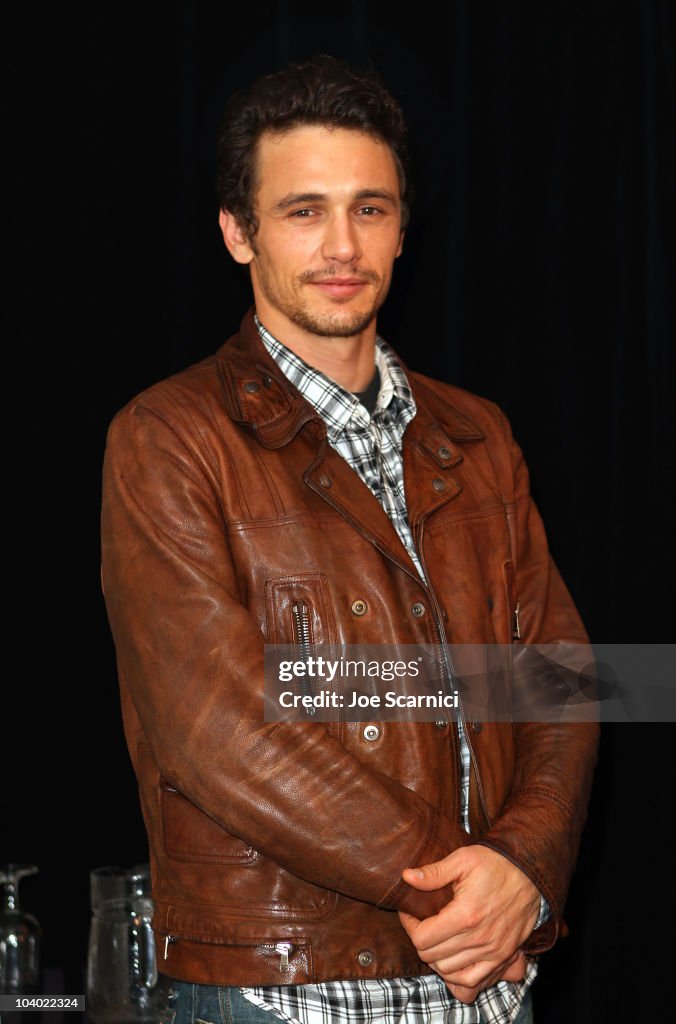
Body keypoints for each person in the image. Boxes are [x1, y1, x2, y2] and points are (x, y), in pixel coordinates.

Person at [100, 55, 598, 1024]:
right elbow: (219, 730)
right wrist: (459, 890)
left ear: (405, 227)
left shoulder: (480, 434)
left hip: (483, 975)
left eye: (369, 208)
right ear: (237, 233)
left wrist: (523, 864)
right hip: (286, 987)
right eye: (302, 210)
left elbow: (567, 677)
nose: (341, 244)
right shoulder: (167, 435)